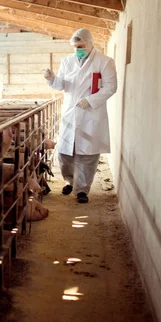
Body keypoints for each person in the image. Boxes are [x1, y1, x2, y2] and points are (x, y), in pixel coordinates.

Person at [43, 28, 117, 204]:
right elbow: (62, 85)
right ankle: (70, 181)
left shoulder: (104, 62)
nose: (78, 49)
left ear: (90, 44)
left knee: (87, 154)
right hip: (70, 112)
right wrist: (52, 78)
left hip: (90, 113)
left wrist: (90, 100)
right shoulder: (67, 61)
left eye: (81, 46)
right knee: (64, 153)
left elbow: (111, 87)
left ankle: (82, 190)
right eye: (75, 46)